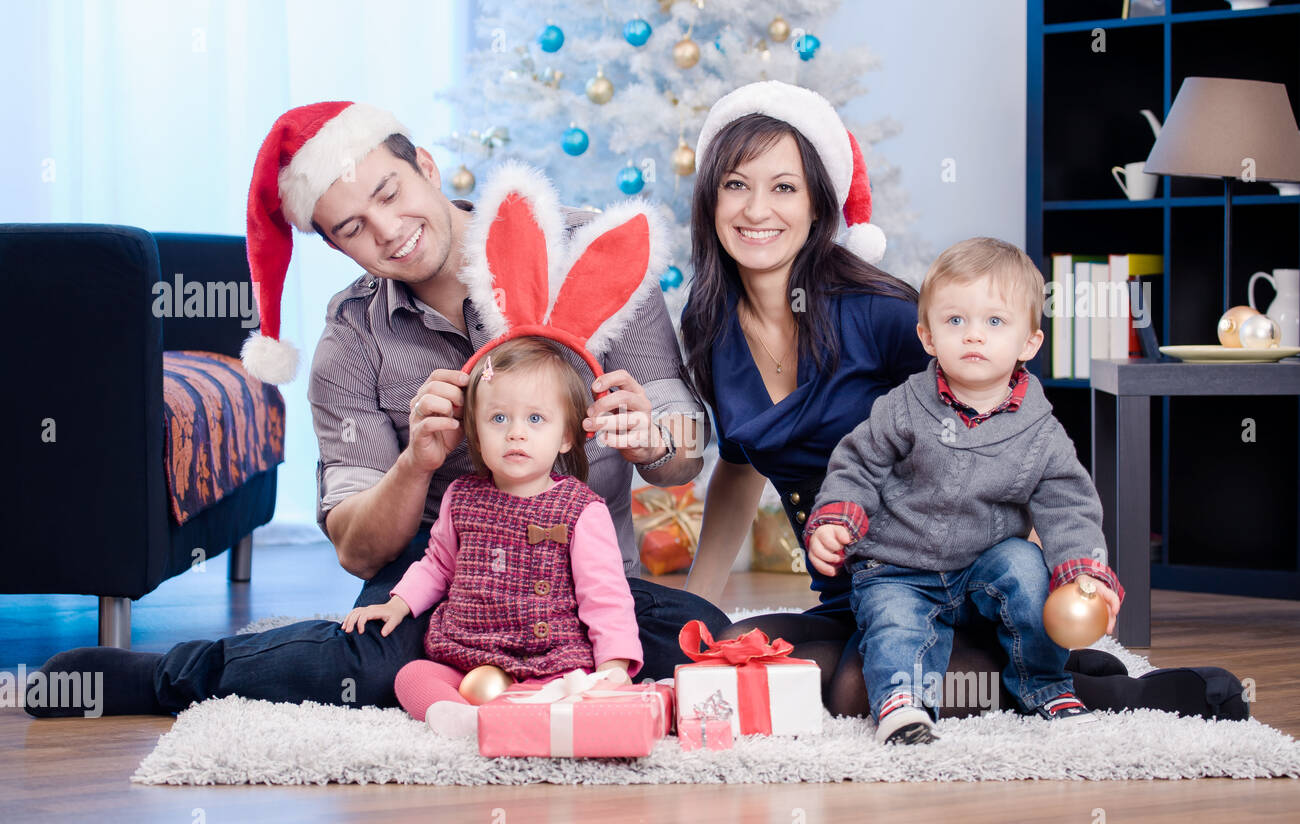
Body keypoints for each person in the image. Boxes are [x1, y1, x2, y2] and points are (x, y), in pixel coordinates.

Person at [25, 101, 728, 718]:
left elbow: (685, 449)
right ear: (333, 245)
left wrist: (652, 439)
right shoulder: (351, 340)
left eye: (392, 193)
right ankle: (174, 677)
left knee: (705, 642)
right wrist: (416, 464)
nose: (389, 231)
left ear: (425, 163)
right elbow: (358, 548)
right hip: (443, 573)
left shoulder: (581, 257)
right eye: (354, 228)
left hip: (577, 571)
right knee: (370, 664)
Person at [681, 81, 1247, 722]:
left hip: (959, 572)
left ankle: (1116, 690)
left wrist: (1055, 567)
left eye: (783, 186)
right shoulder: (709, 327)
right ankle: (1035, 658)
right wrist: (703, 597)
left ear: (819, 202)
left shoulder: (884, 315)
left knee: (850, 694)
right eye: (735, 183)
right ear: (710, 197)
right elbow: (740, 458)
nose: (758, 208)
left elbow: (995, 413)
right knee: (734, 650)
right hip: (861, 584)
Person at [806, 237, 1121, 744]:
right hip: (898, 565)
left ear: (1029, 344)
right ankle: (903, 704)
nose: (974, 336)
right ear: (928, 337)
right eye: (956, 322)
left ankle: (1044, 684)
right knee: (894, 620)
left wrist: (1083, 574)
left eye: (995, 322)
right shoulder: (903, 407)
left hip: (983, 565)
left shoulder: (1041, 431)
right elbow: (856, 464)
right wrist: (837, 518)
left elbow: (1069, 506)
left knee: (1024, 564)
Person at [347, 338, 641, 732]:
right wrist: (396, 604)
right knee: (412, 676)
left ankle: (529, 717)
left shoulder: (581, 509)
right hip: (467, 656)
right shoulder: (461, 497)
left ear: (567, 436)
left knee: (570, 692)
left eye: (535, 419)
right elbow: (437, 566)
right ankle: (459, 718)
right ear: (476, 432)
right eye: (499, 419)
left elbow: (605, 596)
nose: (516, 433)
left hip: (549, 660)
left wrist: (613, 666)